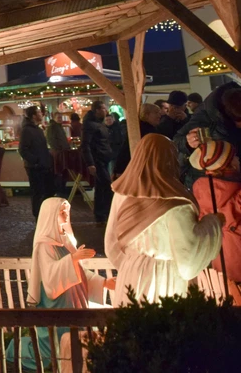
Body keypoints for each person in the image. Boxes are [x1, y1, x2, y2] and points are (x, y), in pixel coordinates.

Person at [105, 134, 222, 304]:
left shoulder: (122, 193)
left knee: (134, 324)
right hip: (164, 276)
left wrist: (132, 263)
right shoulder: (175, 202)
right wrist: (213, 223)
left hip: (130, 271)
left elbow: (111, 245)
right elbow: (188, 260)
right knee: (163, 325)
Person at [6, 199, 113, 373]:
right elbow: (50, 277)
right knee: (57, 341)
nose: (66, 215)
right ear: (50, 215)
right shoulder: (44, 245)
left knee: (78, 333)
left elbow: (80, 272)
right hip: (57, 301)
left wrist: (104, 282)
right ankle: (22, 350)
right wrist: (73, 258)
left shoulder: (65, 241)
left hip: (73, 297)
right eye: (62, 212)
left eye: (67, 211)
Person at [190, 139, 241, 304]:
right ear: (228, 164)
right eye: (235, 157)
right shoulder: (234, 191)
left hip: (219, 270)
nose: (238, 159)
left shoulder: (200, 190)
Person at [176, 82, 241, 184]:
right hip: (210, 182)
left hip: (234, 180)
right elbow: (176, 141)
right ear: (230, 116)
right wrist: (187, 143)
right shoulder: (207, 116)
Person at [81, 100, 114, 224]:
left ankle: (102, 214)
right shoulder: (90, 125)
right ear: (97, 110)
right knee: (105, 186)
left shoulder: (98, 123)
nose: (106, 111)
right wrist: (90, 163)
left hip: (103, 158)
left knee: (101, 188)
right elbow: (85, 145)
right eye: (104, 109)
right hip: (98, 159)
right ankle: (104, 213)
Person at [20, 105, 53, 216]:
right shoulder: (27, 130)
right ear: (33, 116)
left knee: (46, 192)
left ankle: (45, 216)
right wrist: (36, 161)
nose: (41, 114)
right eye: (39, 112)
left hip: (43, 165)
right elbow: (23, 150)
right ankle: (38, 217)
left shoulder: (37, 129)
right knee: (38, 193)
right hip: (35, 167)